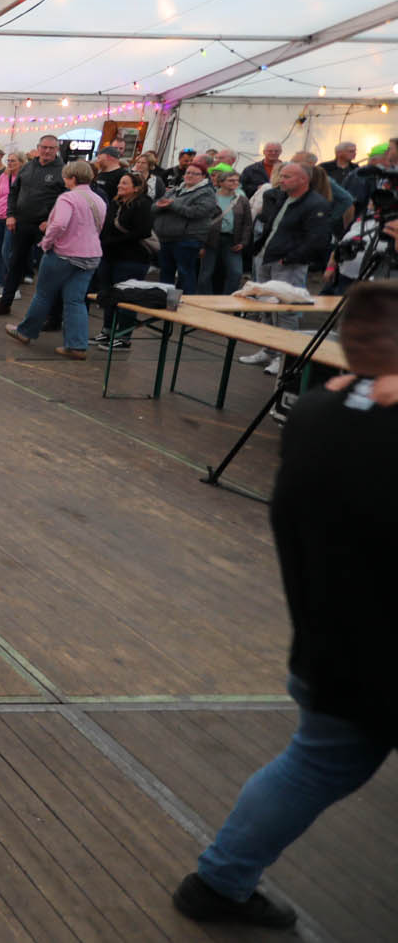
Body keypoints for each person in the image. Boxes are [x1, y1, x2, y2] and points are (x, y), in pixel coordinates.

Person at [174, 281, 398, 931]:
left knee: (313, 764)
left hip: (328, 645)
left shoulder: (314, 414)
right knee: (317, 765)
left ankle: (220, 881)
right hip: (378, 656)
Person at [6, 160, 107, 359]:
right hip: (91, 255)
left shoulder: (67, 198)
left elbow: (59, 224)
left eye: (66, 177)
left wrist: (46, 242)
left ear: (72, 178)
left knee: (44, 294)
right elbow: (99, 226)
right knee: (75, 300)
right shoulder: (98, 199)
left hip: (64, 253)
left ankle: (26, 332)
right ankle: (77, 345)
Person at [239, 162, 332, 376]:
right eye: (281, 176)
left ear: (303, 180)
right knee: (266, 307)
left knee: (286, 310)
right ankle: (269, 349)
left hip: (288, 263)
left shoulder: (315, 204)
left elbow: (317, 239)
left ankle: (284, 356)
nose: (281, 180)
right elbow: (272, 225)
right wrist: (258, 248)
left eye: (287, 176)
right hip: (266, 257)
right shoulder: (282, 197)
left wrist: (291, 258)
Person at [0, 134, 67, 314]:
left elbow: (64, 200)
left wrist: (51, 220)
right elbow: (13, 192)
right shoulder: (28, 167)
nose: (47, 151)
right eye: (44, 147)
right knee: (14, 262)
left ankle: (52, 315)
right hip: (22, 223)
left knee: (50, 268)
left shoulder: (62, 171)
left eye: (51, 148)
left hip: (46, 226)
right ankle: (5, 303)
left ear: (57, 150)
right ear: (38, 148)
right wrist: (11, 215)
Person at [92, 172, 155, 352]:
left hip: (132, 258)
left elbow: (143, 231)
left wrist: (113, 241)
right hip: (110, 256)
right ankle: (107, 330)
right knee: (108, 294)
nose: (120, 186)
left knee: (126, 297)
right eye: (120, 182)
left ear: (136, 188)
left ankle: (124, 336)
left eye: (125, 183)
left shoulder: (142, 204)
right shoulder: (115, 202)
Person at [153, 160, 218, 293]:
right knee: (166, 272)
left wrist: (172, 205)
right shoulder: (175, 190)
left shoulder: (207, 193)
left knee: (185, 273)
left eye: (195, 173)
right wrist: (160, 206)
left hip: (188, 239)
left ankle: (186, 302)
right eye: (188, 173)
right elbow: (154, 207)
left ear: (203, 176)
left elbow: (197, 212)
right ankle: (163, 301)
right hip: (165, 238)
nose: (190, 175)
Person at [199, 163, 254, 295]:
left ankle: (228, 298)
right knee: (206, 273)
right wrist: (201, 243)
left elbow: (247, 223)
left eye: (237, 180)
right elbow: (202, 220)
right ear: (221, 182)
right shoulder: (211, 197)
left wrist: (243, 242)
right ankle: (205, 299)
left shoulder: (242, 200)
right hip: (210, 240)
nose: (235, 183)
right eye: (231, 180)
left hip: (232, 240)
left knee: (236, 272)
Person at [0, 151, 22, 296]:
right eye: (9, 161)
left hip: (11, 217)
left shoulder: (23, 178)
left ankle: (13, 287)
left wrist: (14, 216)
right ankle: (0, 283)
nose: (10, 163)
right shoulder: (3, 176)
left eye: (13, 161)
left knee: (7, 251)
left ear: (21, 163)